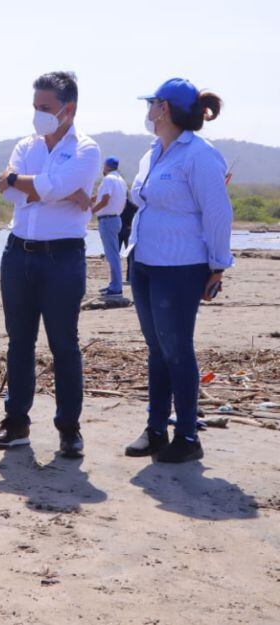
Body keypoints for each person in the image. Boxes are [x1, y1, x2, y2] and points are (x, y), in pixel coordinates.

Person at [0, 72, 101, 458]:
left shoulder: (87, 150)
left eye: (45, 108)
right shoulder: (26, 146)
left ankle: (69, 428)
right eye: (35, 107)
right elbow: (9, 192)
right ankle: (16, 422)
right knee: (19, 342)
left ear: (68, 109)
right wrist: (49, 188)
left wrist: (35, 185)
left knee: (64, 345)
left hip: (63, 257)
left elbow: (40, 187)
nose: (37, 115)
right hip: (19, 253)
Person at [124, 78, 231, 463]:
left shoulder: (199, 155)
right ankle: (156, 429)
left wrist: (218, 264)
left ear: (164, 108)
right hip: (145, 262)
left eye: (152, 103)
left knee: (177, 349)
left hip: (180, 266)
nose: (148, 110)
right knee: (157, 349)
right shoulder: (154, 152)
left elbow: (218, 213)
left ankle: (187, 435)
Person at [91, 157, 128, 296]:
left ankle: (116, 287)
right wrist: (93, 199)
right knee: (113, 253)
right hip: (116, 218)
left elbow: (105, 199)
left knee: (112, 255)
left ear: (106, 166)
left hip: (107, 219)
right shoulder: (120, 180)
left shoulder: (108, 179)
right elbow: (118, 200)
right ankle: (114, 284)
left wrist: (91, 211)